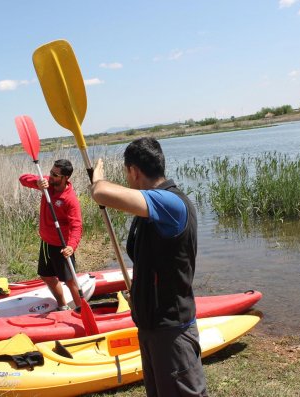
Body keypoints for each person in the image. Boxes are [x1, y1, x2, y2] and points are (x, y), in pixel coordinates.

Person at [90, 137, 207, 397]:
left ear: (133, 171)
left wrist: (97, 178)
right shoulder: (151, 208)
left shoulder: (171, 204)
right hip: (150, 325)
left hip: (173, 331)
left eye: (126, 172)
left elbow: (101, 193)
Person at [19, 159, 83, 311]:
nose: (51, 176)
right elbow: (23, 179)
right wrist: (38, 182)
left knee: (70, 281)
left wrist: (71, 246)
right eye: (51, 173)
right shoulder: (47, 184)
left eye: (55, 175)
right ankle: (62, 305)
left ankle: (82, 310)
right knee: (46, 275)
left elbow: (77, 225)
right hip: (46, 242)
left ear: (65, 178)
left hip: (62, 245)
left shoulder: (69, 199)